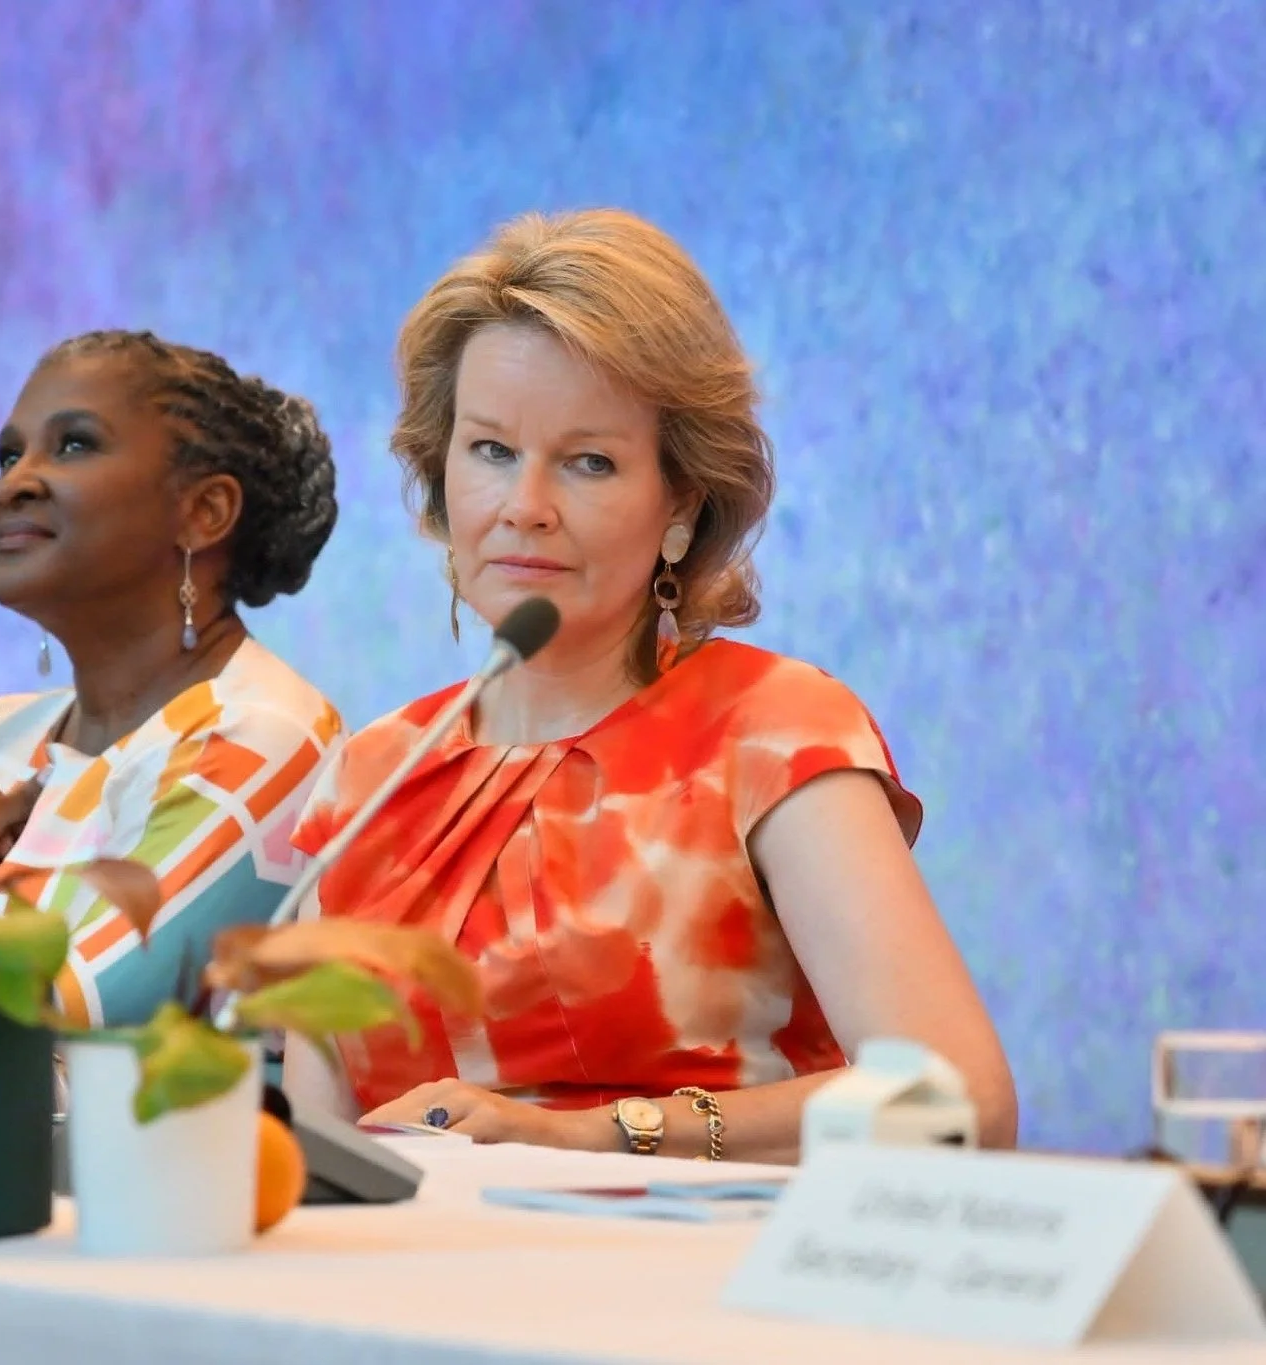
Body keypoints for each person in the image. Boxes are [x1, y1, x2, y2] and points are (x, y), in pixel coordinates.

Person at [285, 210, 1017, 1161]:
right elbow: (316, 1152)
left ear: (680, 504)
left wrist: (596, 1135)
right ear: (438, 477)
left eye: (589, 461)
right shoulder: (364, 780)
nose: (525, 508)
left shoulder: (773, 730)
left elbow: (956, 1102)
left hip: (709, 1290)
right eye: (491, 451)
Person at [0, 330, 343, 1028]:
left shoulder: (265, 739)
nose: (15, 481)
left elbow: (35, 1035)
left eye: (74, 444)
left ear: (205, 512)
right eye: (9, 455)